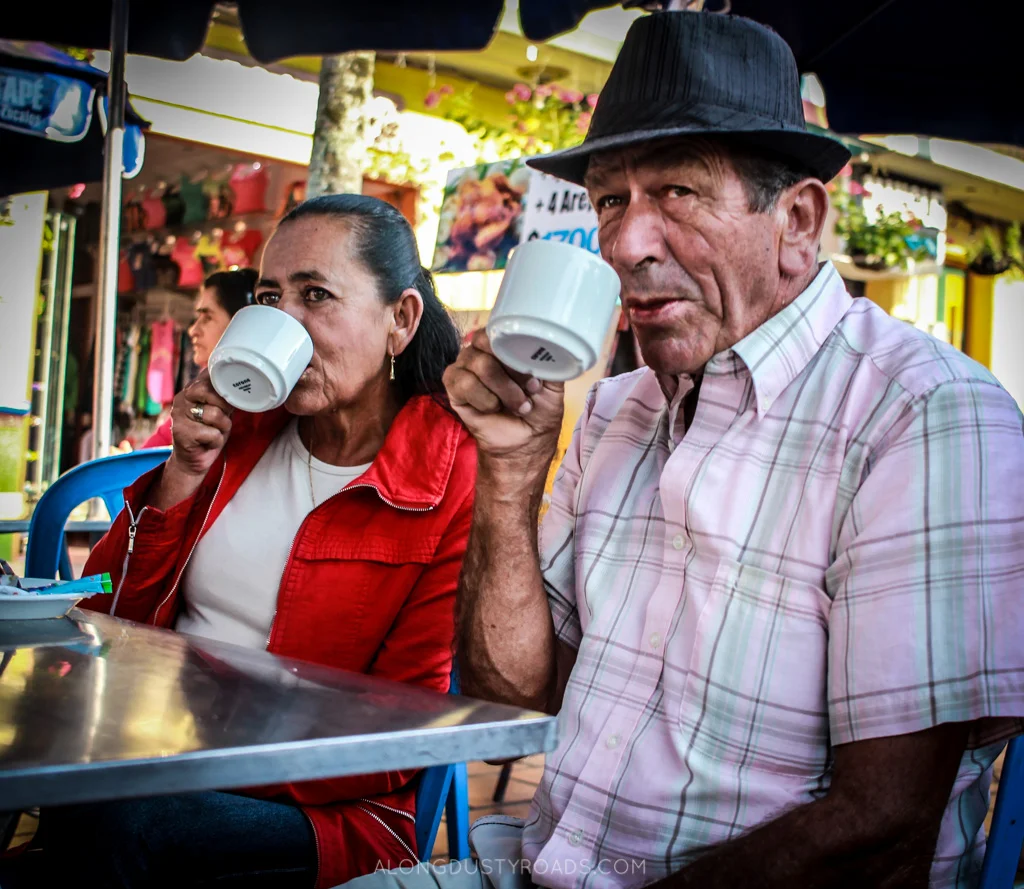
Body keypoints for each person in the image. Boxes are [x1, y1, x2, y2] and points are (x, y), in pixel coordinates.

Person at [342, 12, 1024, 889]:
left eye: (678, 193)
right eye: (610, 200)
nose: (624, 244)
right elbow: (513, 692)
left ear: (799, 220)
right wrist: (508, 476)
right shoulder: (618, 410)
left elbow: (882, 831)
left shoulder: (923, 413)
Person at [25, 195, 475, 889]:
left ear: (401, 320)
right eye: (269, 296)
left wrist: (203, 758)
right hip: (159, 751)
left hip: (332, 806)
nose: (282, 320)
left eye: (316, 294)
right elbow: (106, 620)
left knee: (113, 820)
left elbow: (400, 735)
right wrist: (181, 472)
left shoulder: (447, 480)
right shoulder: (242, 431)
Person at [141, 267, 258, 448]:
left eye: (207, 317)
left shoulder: (265, 410)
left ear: (241, 324)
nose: (193, 330)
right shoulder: (200, 400)